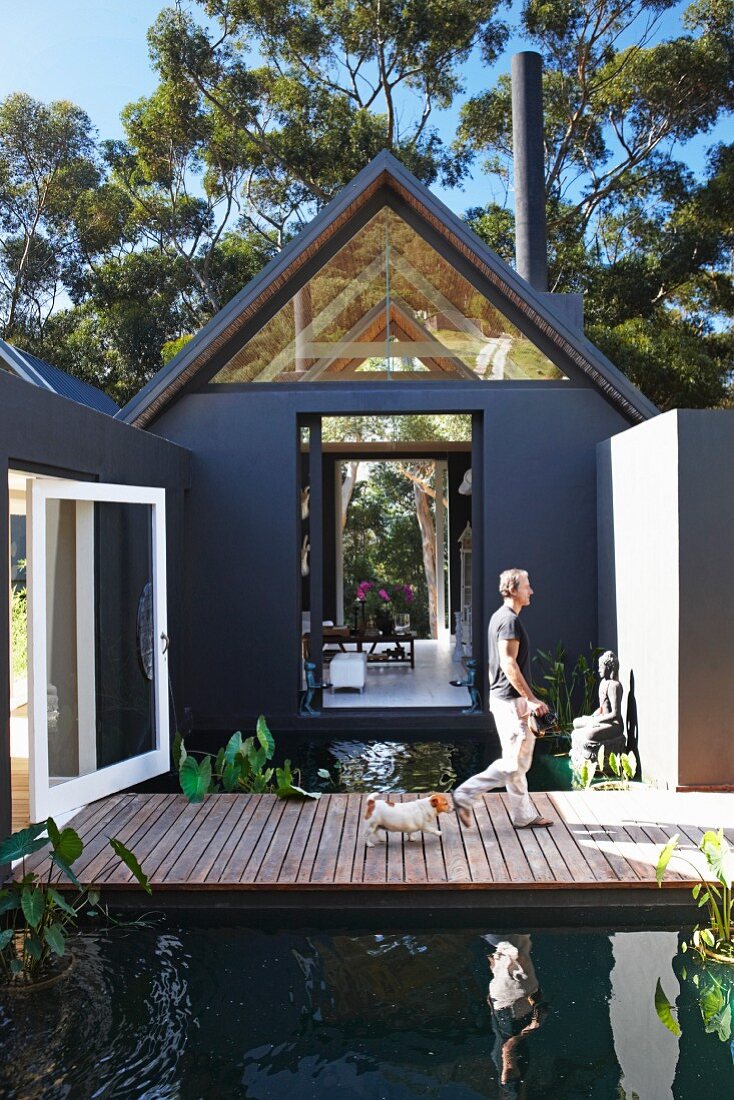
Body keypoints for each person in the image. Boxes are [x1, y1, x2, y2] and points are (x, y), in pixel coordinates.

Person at [453, 568, 553, 829]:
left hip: (505, 700)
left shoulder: (501, 618)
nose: (531, 591)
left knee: (517, 761)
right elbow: (508, 663)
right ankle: (465, 793)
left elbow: (494, 666)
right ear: (512, 589)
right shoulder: (508, 621)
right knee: (514, 764)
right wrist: (529, 699)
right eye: (526, 586)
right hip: (511, 702)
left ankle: (522, 815)